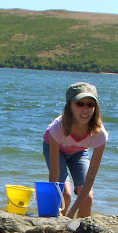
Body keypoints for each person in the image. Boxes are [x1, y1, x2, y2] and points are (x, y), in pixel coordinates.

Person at [43, 82, 109, 218]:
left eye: (90, 104)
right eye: (80, 104)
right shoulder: (57, 128)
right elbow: (55, 174)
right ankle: (55, 227)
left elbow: (90, 177)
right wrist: (55, 204)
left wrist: (73, 212)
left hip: (79, 152)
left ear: (95, 107)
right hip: (56, 148)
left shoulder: (100, 134)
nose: (85, 109)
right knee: (64, 194)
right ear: (70, 106)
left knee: (87, 197)